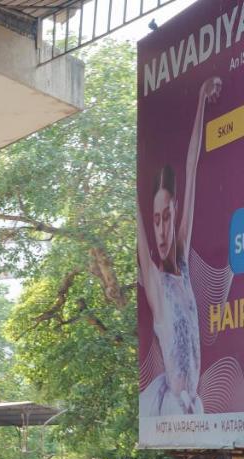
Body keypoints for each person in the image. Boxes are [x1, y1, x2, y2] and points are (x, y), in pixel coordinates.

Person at [137, 75, 221, 418]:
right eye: (155, 219)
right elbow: (139, 226)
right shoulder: (154, 280)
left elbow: (192, 165)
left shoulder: (183, 261)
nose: (161, 227)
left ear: (175, 214)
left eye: (166, 216)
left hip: (195, 407)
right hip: (172, 408)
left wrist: (201, 100)